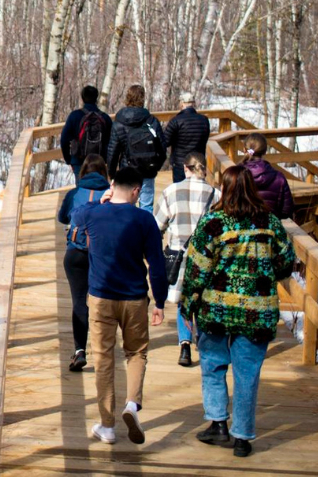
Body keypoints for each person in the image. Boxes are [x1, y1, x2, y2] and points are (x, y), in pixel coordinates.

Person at [180, 164, 298, 458]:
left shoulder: (213, 222)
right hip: (257, 311)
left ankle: (218, 423)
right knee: (247, 374)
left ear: (225, 188)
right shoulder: (270, 222)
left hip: (216, 309)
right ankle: (242, 438)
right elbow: (286, 262)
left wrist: (188, 304)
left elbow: (197, 269)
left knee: (213, 365)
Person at [71, 166, 168, 445]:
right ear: (137, 191)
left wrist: (99, 199)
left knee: (103, 359)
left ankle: (107, 426)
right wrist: (159, 302)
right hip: (134, 298)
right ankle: (131, 405)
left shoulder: (92, 213)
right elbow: (157, 265)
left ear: (113, 185)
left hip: (101, 298)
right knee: (136, 353)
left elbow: (72, 217)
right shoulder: (144, 219)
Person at [154, 151, 216, 367]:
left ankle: (185, 346)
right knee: (203, 301)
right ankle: (205, 343)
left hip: (180, 257)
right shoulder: (215, 195)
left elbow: (157, 225)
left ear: (186, 169)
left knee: (184, 302)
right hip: (207, 258)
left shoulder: (171, 191)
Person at [56, 155, 111, 373]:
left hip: (76, 254)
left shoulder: (74, 193)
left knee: (79, 301)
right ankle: (103, 349)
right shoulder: (111, 194)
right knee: (103, 302)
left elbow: (62, 218)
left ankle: (80, 351)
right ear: (104, 172)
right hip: (103, 255)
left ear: (83, 173)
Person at [106, 84, 169, 212]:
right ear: (142, 99)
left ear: (127, 98)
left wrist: (112, 174)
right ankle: (145, 231)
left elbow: (112, 151)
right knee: (146, 207)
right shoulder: (151, 121)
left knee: (126, 207)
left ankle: (129, 231)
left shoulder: (119, 122)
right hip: (147, 170)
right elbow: (162, 148)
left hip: (127, 171)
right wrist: (154, 167)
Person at [59, 85, 113, 179]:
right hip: (99, 161)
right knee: (99, 189)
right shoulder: (105, 118)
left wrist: (69, 159)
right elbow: (111, 143)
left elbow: (64, 140)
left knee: (81, 190)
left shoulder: (74, 116)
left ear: (83, 98)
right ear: (96, 98)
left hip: (79, 161)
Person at [240, 133, 294, 219]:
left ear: (244, 149)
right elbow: (286, 210)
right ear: (265, 151)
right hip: (270, 229)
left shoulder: (235, 175)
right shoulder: (279, 177)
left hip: (241, 228)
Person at [163, 92, 210, 185]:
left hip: (180, 163)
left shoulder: (176, 121)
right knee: (198, 189)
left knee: (180, 191)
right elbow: (205, 138)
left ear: (182, 103)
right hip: (198, 162)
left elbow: (165, 141)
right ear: (193, 104)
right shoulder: (204, 120)